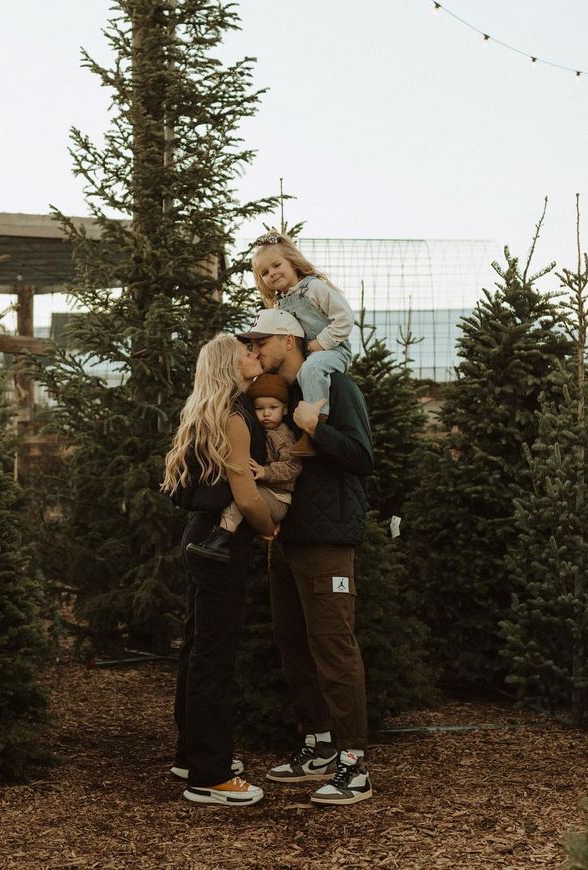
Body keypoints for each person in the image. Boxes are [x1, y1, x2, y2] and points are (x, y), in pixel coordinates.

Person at [237, 307, 375, 806]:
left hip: (328, 541)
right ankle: (316, 745)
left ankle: (354, 764)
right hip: (286, 537)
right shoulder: (279, 395)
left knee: (334, 646)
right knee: (291, 640)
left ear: (290, 341)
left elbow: (362, 457)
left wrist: (314, 428)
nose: (256, 351)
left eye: (262, 342)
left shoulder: (336, 387)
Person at [161, 333, 275, 807]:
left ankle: (192, 755)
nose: (256, 356)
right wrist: (269, 528)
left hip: (200, 538)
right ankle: (210, 776)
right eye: (248, 352)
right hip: (221, 544)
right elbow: (245, 494)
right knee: (215, 656)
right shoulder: (234, 416)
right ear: (232, 365)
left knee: (198, 647)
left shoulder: (207, 410)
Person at [251, 229, 355, 457]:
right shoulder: (280, 304)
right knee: (301, 372)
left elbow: (345, 317)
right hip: (310, 355)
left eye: (277, 265)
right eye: (265, 272)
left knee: (311, 368)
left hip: (334, 350)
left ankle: (316, 426)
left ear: (293, 262)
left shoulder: (314, 288)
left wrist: (322, 342)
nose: (272, 274)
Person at [186, 372, 302, 562]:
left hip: (278, 497)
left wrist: (266, 472)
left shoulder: (283, 436)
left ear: (285, 410)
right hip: (267, 493)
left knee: (241, 499)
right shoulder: (260, 431)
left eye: (273, 408)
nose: (266, 414)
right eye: (259, 408)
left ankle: (222, 539)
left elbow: (293, 466)